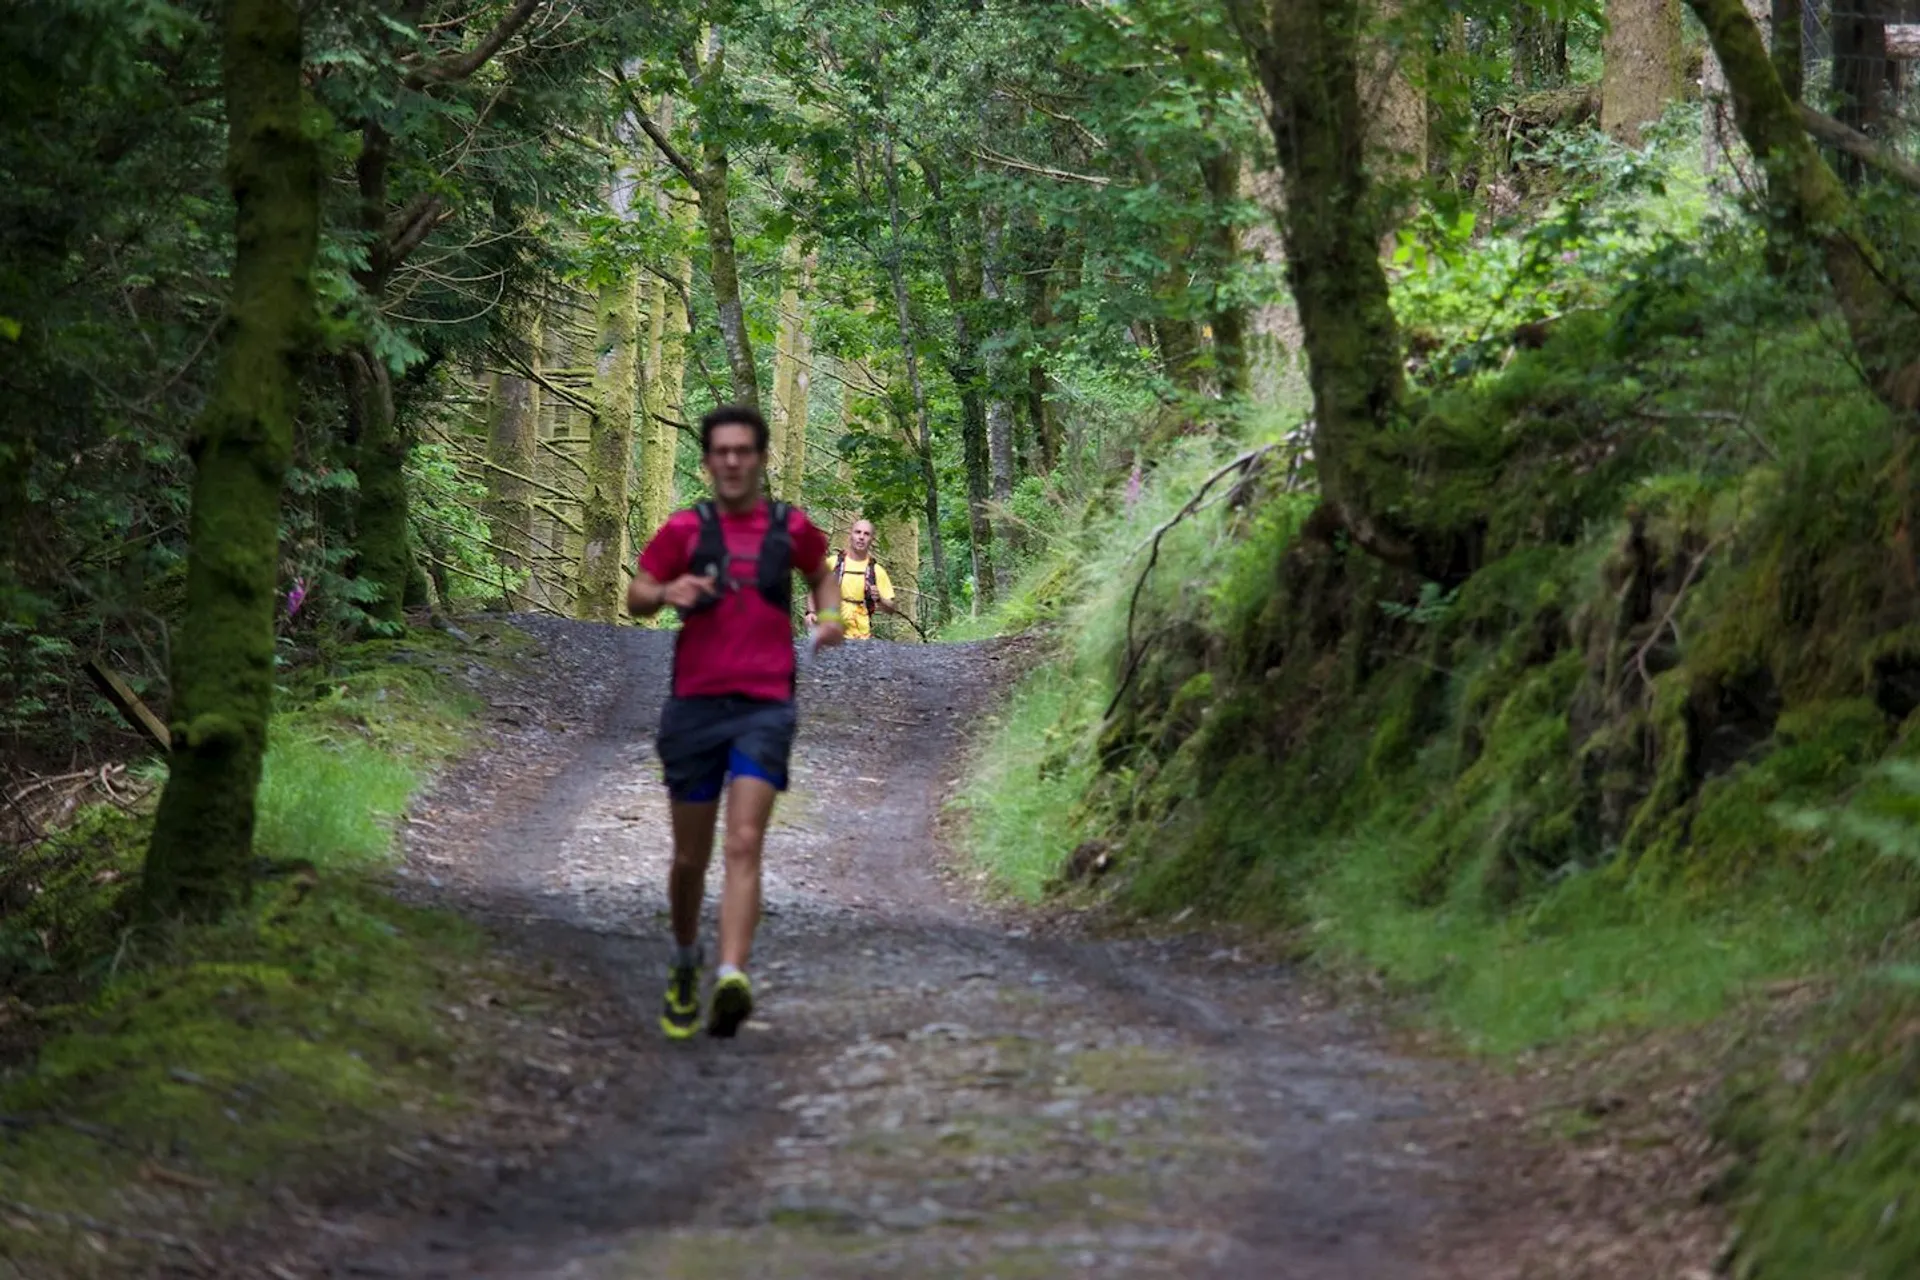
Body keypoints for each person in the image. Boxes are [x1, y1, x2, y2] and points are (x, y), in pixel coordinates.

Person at [626, 404, 844, 1039]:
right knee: (690, 856)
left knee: (745, 841)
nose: (731, 461)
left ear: (760, 458)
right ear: (706, 459)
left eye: (743, 451)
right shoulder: (683, 530)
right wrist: (668, 593)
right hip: (693, 707)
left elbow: (822, 578)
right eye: (720, 451)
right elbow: (636, 596)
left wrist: (828, 622)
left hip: (765, 706)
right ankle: (686, 959)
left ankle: (732, 975)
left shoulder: (790, 527)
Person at [806, 519, 897, 641]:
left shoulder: (876, 571)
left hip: (862, 637)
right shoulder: (832, 564)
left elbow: (891, 609)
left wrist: (880, 599)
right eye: (858, 532)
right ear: (851, 535)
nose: (861, 537)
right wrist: (811, 612)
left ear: (872, 539)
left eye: (866, 534)